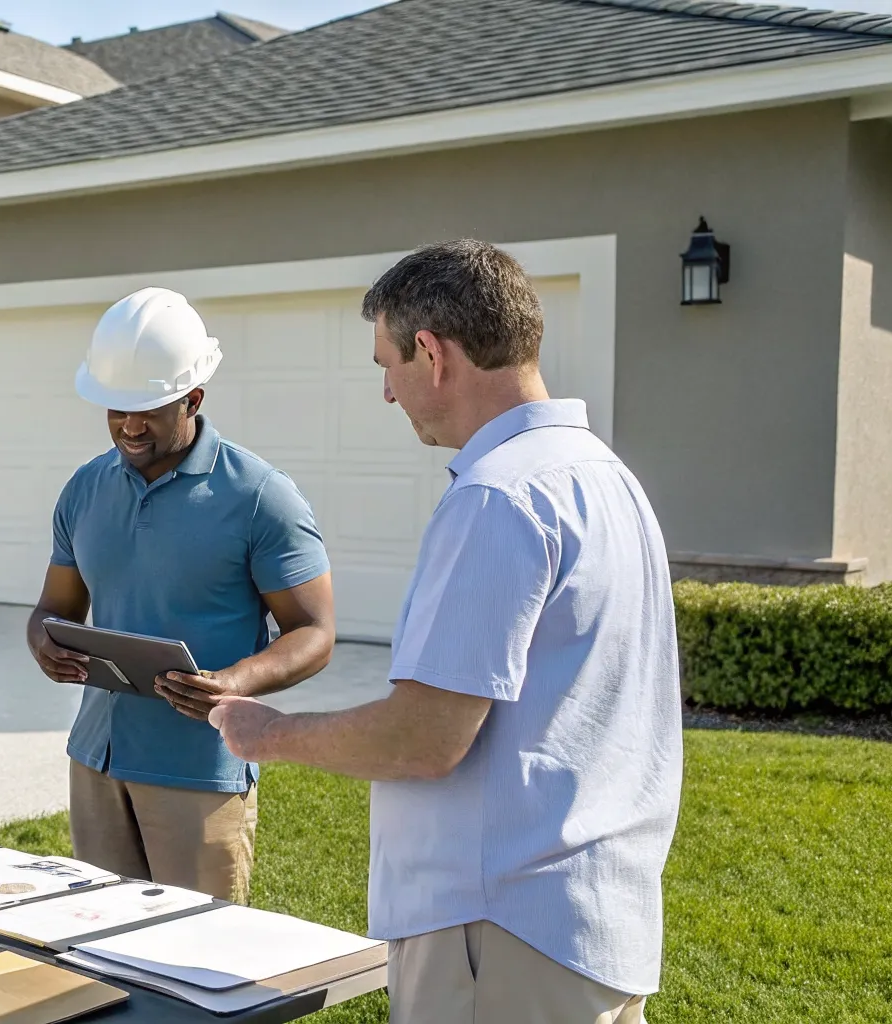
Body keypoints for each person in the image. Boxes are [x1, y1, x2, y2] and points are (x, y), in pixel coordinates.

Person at [189, 240, 682, 1024]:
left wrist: (267, 733)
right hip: (599, 919)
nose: (388, 392)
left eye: (387, 365)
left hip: (499, 925)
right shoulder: (606, 478)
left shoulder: (498, 498)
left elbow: (425, 738)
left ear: (432, 353)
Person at [25, 287, 337, 903]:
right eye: (116, 408)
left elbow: (315, 633)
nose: (129, 426)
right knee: (99, 941)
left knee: (197, 949)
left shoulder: (260, 497)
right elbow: (53, 610)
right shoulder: (84, 489)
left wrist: (235, 681)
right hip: (96, 759)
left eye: (148, 409)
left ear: (193, 398)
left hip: (199, 771)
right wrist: (43, 642)